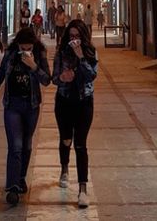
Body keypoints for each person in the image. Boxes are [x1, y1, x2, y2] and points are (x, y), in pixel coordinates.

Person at [0, 28, 51, 205]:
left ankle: (20, 178)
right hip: (12, 105)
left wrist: (33, 66)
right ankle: (12, 186)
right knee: (15, 145)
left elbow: (46, 80)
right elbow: (0, 74)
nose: (25, 50)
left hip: (31, 106)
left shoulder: (39, 53)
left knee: (26, 145)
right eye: (23, 47)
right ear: (18, 44)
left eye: (29, 47)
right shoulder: (12, 54)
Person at [52, 19, 98, 209]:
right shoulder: (61, 53)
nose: (74, 40)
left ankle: (82, 189)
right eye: (71, 37)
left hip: (84, 102)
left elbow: (92, 76)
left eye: (77, 37)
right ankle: (64, 169)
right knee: (65, 139)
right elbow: (54, 78)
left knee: (80, 144)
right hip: (64, 102)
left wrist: (81, 57)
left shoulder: (90, 53)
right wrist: (62, 78)